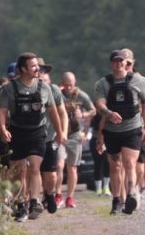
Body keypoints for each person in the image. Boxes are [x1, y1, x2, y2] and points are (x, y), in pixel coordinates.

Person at [0, 52, 66, 222]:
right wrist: (3, 129)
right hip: (17, 133)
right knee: (18, 173)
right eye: (33, 66)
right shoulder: (9, 89)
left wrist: (60, 133)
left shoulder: (44, 87)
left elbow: (53, 112)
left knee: (35, 167)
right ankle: (21, 205)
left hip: (37, 133)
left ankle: (34, 201)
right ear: (22, 69)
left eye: (37, 65)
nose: (37, 69)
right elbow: (2, 111)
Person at [94, 49, 145, 215]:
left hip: (132, 128)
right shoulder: (103, 83)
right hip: (112, 130)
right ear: (112, 63)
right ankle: (117, 200)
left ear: (127, 63)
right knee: (115, 166)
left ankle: (131, 194)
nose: (119, 64)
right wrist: (108, 113)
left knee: (130, 163)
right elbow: (100, 104)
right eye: (115, 61)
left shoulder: (139, 81)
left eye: (121, 61)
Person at [55, 71, 96, 208]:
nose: (68, 88)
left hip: (74, 134)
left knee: (72, 167)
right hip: (60, 134)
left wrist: (83, 114)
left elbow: (93, 110)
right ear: (62, 83)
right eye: (66, 85)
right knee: (59, 165)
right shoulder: (57, 94)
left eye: (70, 85)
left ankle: (70, 198)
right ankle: (58, 194)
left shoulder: (80, 95)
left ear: (75, 83)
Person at [37, 58, 68, 214]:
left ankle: (49, 194)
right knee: (35, 171)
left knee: (51, 173)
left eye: (42, 70)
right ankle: (33, 200)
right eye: (37, 69)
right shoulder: (24, 89)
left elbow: (62, 113)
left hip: (50, 136)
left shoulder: (53, 90)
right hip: (32, 137)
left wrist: (62, 132)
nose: (40, 73)